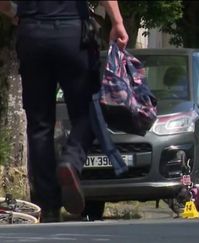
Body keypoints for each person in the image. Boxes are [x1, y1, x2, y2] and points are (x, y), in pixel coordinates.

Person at [0, 1, 128, 223]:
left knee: (39, 124)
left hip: (32, 34)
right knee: (88, 111)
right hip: (72, 32)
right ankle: (70, 160)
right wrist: (117, 21)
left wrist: (16, 13)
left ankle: (48, 205)